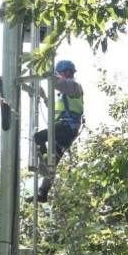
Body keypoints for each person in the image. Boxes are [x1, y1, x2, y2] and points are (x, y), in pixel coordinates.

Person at [25, 60, 84, 203]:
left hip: (67, 127)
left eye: (60, 73)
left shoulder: (74, 87)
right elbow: (55, 111)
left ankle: (44, 166)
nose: (59, 76)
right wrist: (44, 97)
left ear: (67, 72)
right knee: (53, 159)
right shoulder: (64, 96)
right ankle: (43, 192)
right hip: (64, 128)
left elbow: (58, 82)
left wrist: (45, 70)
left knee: (39, 137)